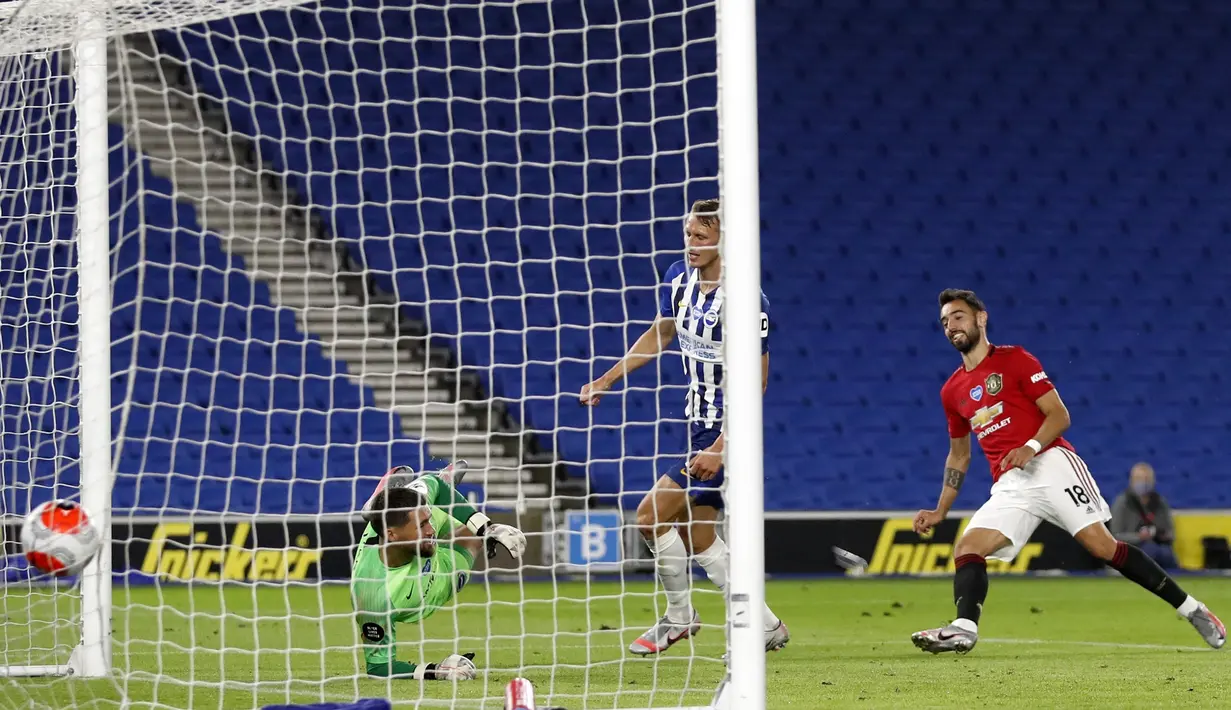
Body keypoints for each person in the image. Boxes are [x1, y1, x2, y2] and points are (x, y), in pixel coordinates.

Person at [910, 289, 1224, 654]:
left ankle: (1193, 610)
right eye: (945, 321)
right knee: (968, 547)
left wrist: (1029, 447)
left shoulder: (1016, 360)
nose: (951, 326)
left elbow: (1059, 415)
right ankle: (964, 628)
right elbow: (958, 455)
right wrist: (941, 509)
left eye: (959, 316)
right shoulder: (952, 391)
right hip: (1012, 482)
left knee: (1101, 546)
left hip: (1051, 463)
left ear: (981, 318)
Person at [580, 198, 789, 656]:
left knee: (649, 515)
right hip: (698, 422)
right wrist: (606, 379)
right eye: (688, 235)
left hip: (728, 429)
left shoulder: (747, 300)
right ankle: (767, 625)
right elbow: (661, 333)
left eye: (701, 236)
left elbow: (759, 381)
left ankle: (680, 618)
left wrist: (722, 445)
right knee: (699, 535)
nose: (691, 244)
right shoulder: (678, 280)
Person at [351, 460, 527, 679]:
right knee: (465, 535)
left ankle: (434, 491)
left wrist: (487, 527)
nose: (431, 529)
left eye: (427, 522)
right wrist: (437, 671)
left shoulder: (418, 514)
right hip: (422, 590)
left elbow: (430, 486)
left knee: (471, 533)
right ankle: (382, 499)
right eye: (422, 526)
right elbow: (378, 668)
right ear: (392, 534)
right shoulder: (372, 598)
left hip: (430, 556)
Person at [1110, 462, 1178, 569]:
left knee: (1166, 554)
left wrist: (1159, 534)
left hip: (1157, 546)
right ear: (1131, 481)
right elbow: (1115, 536)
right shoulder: (1122, 503)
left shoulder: (1160, 503)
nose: (1143, 482)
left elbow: (1171, 534)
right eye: (1139, 479)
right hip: (1131, 549)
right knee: (1149, 552)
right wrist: (1139, 537)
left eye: (1147, 479)